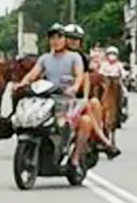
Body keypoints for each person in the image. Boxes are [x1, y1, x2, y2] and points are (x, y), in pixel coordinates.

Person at [15, 23, 104, 175]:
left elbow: (80, 76)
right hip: (48, 98)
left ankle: (74, 159)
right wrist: (21, 84)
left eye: (59, 37)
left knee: (84, 123)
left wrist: (74, 87)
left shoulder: (74, 57)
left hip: (68, 100)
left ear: (65, 40)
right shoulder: (45, 59)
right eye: (53, 38)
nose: (56, 41)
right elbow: (32, 74)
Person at [63, 24, 121, 158]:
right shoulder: (52, 56)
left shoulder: (84, 59)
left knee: (94, 103)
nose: (73, 41)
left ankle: (100, 138)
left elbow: (88, 77)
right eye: (70, 38)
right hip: (55, 97)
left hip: (76, 97)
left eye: (76, 39)